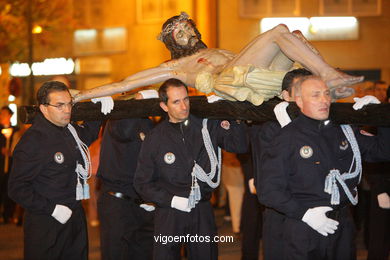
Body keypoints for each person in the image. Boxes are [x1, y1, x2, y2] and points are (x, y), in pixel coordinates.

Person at [72, 12, 363, 107]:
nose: (188, 34)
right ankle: (329, 76)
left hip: (259, 76)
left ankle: (324, 83)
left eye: (188, 28)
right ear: (173, 45)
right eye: (180, 34)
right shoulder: (174, 66)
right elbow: (126, 82)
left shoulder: (217, 51)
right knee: (279, 32)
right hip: (235, 82)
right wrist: (82, 95)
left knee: (295, 35)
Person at [257, 75, 390, 260]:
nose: (324, 100)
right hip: (303, 226)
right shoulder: (285, 138)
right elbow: (268, 190)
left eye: (327, 94)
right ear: (300, 101)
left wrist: (381, 114)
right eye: (315, 95)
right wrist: (305, 215)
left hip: (341, 223)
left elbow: (383, 151)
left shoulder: (344, 130)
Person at [133, 78, 248, 259]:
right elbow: (142, 183)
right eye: (176, 102)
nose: (184, 106)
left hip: (201, 208)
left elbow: (239, 146)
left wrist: (231, 113)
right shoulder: (155, 137)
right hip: (169, 212)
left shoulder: (206, 125)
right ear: (164, 106)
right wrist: (171, 200)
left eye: (186, 99)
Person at [8, 81, 102, 259]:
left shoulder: (70, 130)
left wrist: (99, 112)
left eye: (69, 104)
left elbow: (87, 136)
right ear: (44, 108)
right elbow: (16, 188)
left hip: (74, 217)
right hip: (46, 222)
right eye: (60, 105)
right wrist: (51, 209)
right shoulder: (32, 141)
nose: (67, 110)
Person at [250, 68, 312, 259]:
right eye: (300, 92)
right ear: (286, 95)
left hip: (314, 210)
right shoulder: (270, 129)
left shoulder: (319, 125)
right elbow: (269, 181)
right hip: (282, 214)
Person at [97, 90, 157, 260]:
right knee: (117, 253)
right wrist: (138, 100)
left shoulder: (147, 123)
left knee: (145, 252)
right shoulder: (119, 119)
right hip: (118, 203)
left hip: (143, 202)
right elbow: (124, 131)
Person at [0, 106, 19, 224]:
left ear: (10, 116)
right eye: (1, 114)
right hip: (1, 164)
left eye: (4, 114)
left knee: (9, 191)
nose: (2, 116)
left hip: (11, 166)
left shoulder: (16, 130)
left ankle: (8, 215)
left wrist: (11, 151)